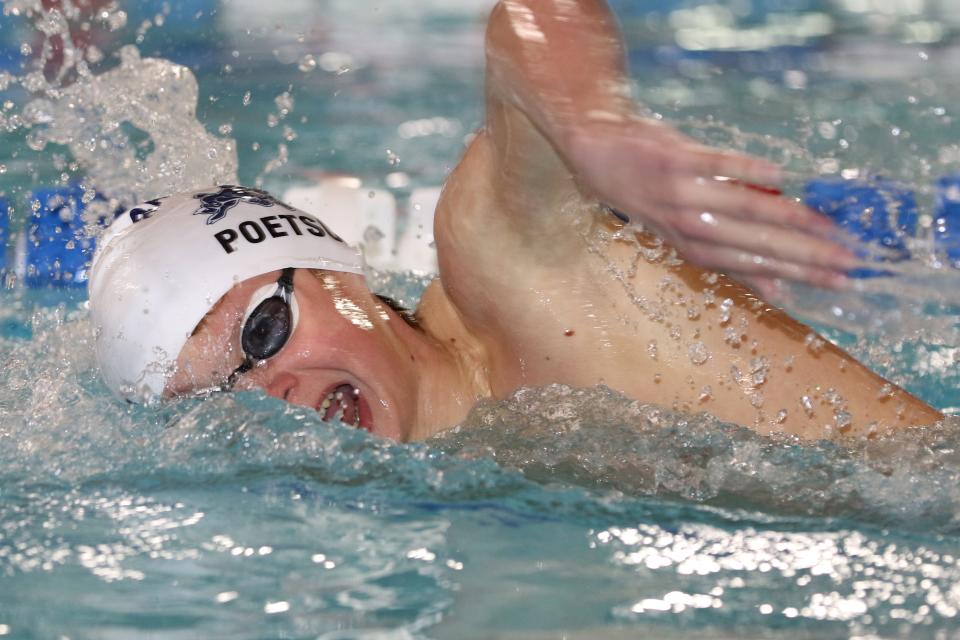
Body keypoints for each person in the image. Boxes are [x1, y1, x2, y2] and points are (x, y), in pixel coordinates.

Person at [89, 0, 941, 442]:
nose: (267, 395)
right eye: (215, 401)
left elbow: (528, 24)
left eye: (266, 329)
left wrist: (587, 126)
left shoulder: (499, 267)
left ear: (336, 274)